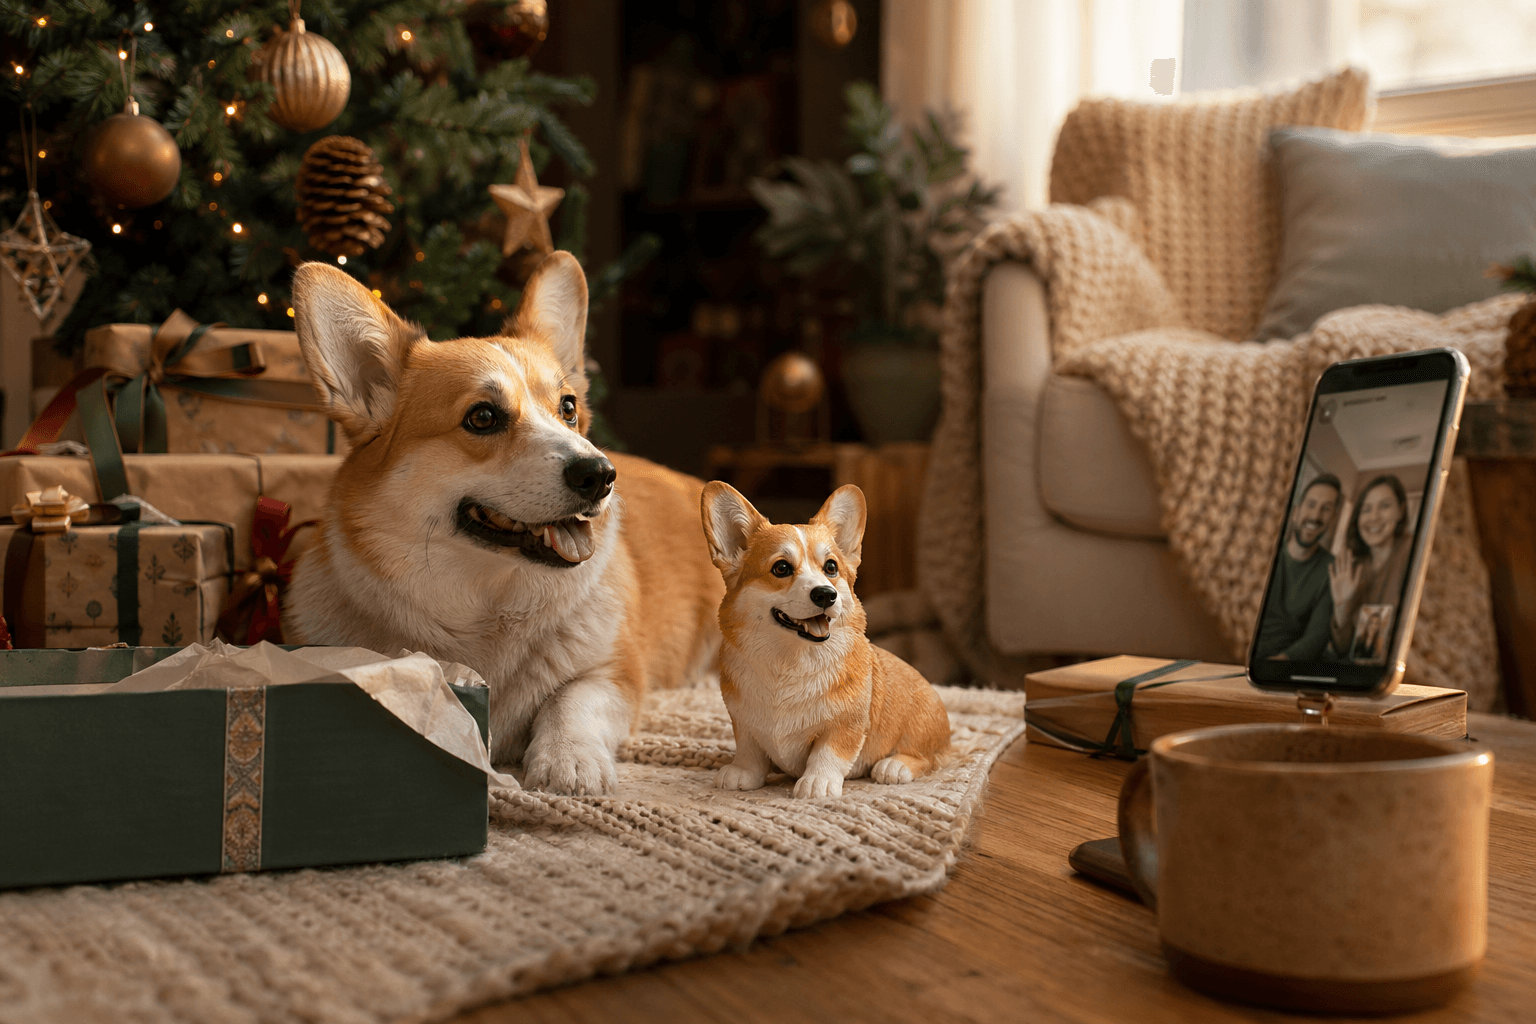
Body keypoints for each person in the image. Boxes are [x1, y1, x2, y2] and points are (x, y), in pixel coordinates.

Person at [1254, 473, 1342, 661]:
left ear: (1332, 519)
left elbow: (1317, 636)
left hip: (1287, 665)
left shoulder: (1332, 568)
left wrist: (1280, 662)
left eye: (1325, 509)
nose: (1316, 516)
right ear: (1296, 511)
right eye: (1311, 505)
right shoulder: (1261, 551)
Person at [1329, 474, 1413, 658]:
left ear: (1400, 510)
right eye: (1366, 509)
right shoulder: (1354, 568)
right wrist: (1341, 607)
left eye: (1384, 506)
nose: (1373, 517)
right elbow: (1343, 649)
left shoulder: (1411, 550)